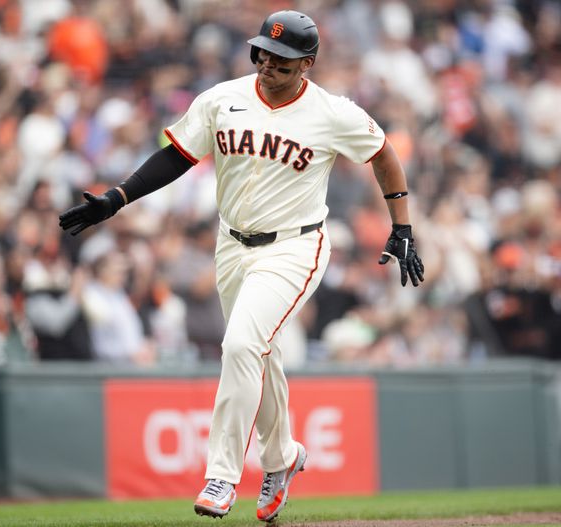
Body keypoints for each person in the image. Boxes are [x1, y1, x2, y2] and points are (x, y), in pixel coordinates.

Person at [58, 9, 424, 522]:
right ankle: (283, 456)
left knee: (242, 344)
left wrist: (401, 225)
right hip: (231, 245)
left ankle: (221, 475)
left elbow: (384, 153)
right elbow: (178, 155)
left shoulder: (331, 112)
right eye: (263, 51)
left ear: (308, 64)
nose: (268, 62)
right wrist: (118, 198)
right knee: (259, 352)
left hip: (296, 246)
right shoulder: (220, 98)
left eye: (283, 57)